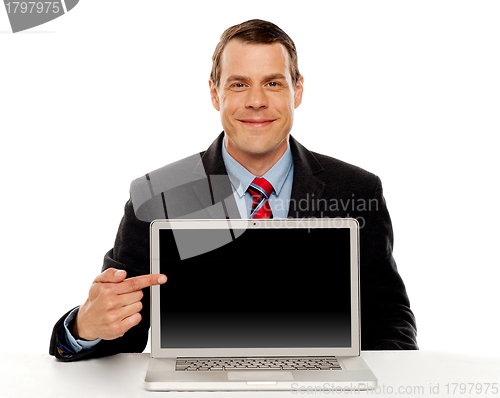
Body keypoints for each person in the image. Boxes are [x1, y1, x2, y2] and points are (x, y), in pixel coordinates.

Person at [50, 19, 418, 361]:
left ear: (298, 91)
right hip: (196, 387)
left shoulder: (355, 190)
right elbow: (124, 329)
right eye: (239, 84)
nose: (256, 101)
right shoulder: (159, 195)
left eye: (273, 83)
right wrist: (86, 327)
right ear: (215, 94)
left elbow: (389, 319)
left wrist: (380, 385)